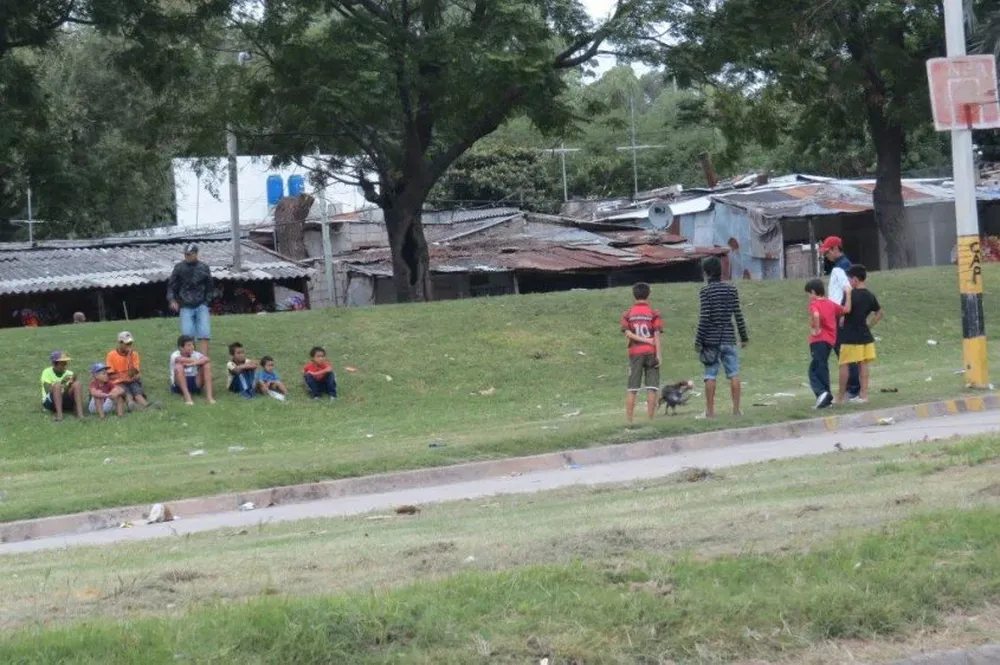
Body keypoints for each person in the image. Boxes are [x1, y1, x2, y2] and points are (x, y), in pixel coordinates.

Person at [695, 256, 749, 418]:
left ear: (707, 273)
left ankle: (710, 412)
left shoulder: (705, 291)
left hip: (710, 340)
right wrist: (744, 337)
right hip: (728, 337)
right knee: (733, 373)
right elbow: (738, 315)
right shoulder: (731, 290)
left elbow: (705, 318)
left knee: (710, 375)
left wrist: (698, 340)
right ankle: (736, 410)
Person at [819, 236, 861, 399]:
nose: (826, 255)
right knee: (843, 351)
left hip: (840, 314)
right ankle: (852, 387)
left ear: (835, 248)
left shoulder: (841, 267)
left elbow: (847, 290)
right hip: (838, 312)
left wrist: (843, 312)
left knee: (844, 352)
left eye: (827, 252)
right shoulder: (841, 266)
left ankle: (853, 388)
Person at [837, 264, 883, 404]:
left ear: (855, 280)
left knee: (844, 364)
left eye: (849, 279)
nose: (848, 282)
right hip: (865, 336)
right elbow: (880, 313)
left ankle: (840, 397)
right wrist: (869, 325)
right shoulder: (870, 295)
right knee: (863, 364)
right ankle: (864, 395)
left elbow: (844, 311)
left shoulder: (850, 294)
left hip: (850, 336)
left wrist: (841, 318)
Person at [620, 282, 663, 426]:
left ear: (634, 295)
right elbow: (656, 335)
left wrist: (641, 340)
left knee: (632, 388)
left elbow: (628, 333)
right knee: (652, 387)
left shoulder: (628, 314)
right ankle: (650, 420)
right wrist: (658, 355)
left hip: (635, 353)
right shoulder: (654, 313)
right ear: (648, 294)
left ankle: (629, 420)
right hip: (651, 352)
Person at [166, 243, 214, 356]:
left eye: (190, 254)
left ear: (196, 254)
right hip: (185, 305)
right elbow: (171, 286)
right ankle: (192, 358)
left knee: (205, 333)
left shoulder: (204, 267)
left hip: (201, 303)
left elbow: (210, 286)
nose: (187, 256)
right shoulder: (179, 267)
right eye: (186, 254)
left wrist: (207, 301)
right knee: (187, 335)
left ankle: (203, 359)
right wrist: (172, 300)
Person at [805, 279, 843, 409]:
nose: (809, 297)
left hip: (818, 340)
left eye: (809, 294)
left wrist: (816, 329)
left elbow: (816, 314)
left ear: (813, 292)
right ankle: (826, 399)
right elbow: (844, 310)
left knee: (813, 370)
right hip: (830, 340)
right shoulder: (830, 303)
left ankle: (822, 393)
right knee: (822, 367)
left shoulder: (814, 304)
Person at [106, 331, 152, 410]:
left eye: (130, 343)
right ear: (120, 343)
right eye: (127, 343)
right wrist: (123, 377)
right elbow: (111, 376)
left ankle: (146, 405)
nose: (129, 345)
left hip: (132, 380)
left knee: (137, 392)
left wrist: (129, 357)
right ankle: (131, 404)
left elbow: (132, 374)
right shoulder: (111, 355)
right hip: (118, 382)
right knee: (126, 391)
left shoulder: (134, 354)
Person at [169, 334, 216, 405]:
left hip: (195, 381)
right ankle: (188, 398)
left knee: (207, 365)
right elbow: (181, 360)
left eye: (192, 344)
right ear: (181, 347)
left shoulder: (195, 354)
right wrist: (198, 361)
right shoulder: (175, 355)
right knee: (179, 367)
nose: (192, 347)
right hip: (179, 385)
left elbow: (207, 359)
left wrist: (194, 363)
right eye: (189, 345)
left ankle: (209, 397)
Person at [41, 351, 84, 421]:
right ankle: (59, 416)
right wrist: (62, 382)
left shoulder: (70, 373)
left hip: (66, 401)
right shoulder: (46, 372)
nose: (65, 366)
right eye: (62, 363)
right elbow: (48, 390)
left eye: (65, 363)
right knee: (57, 386)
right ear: (54, 364)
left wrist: (72, 383)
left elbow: (70, 391)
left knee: (77, 384)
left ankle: (80, 415)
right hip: (51, 403)